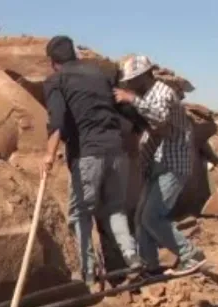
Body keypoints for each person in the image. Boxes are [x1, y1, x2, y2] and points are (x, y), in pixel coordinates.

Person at [39, 35, 142, 284]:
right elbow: (123, 107)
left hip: (88, 154)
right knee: (115, 209)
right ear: (75, 54)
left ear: (54, 62)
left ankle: (87, 272)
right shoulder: (99, 74)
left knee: (80, 214)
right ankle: (132, 257)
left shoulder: (56, 80)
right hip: (117, 152)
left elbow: (58, 120)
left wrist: (48, 155)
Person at [113, 55, 207, 275]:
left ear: (146, 75)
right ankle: (149, 264)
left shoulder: (162, 92)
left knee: (152, 216)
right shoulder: (147, 95)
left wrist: (131, 99)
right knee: (141, 217)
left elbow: (161, 118)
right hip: (157, 165)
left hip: (173, 165)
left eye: (133, 79)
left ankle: (190, 254)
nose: (129, 84)